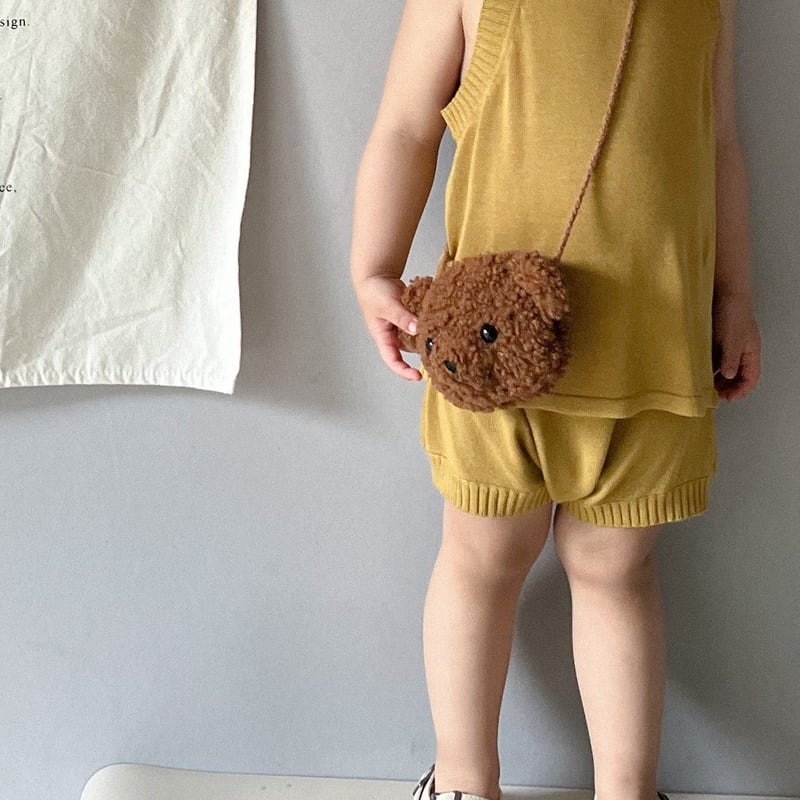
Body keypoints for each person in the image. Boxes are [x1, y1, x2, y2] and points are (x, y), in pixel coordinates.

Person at [349, 1, 762, 799]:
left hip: (652, 357)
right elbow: (404, 127)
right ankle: (463, 777)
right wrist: (374, 267)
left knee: (618, 572)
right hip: (492, 353)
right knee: (480, 560)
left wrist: (736, 296)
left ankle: (627, 788)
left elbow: (719, 145)